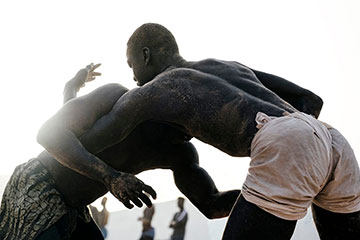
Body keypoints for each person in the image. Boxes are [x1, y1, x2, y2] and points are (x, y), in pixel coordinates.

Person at [66, 23, 358, 239]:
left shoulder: (157, 89)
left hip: (286, 137)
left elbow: (87, 140)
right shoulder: (226, 66)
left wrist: (70, 92)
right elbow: (311, 101)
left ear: (145, 56)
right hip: (333, 141)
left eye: (131, 65)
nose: (132, 76)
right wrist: (305, 156)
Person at [0, 63, 241, 240]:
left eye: (199, 129)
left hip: (75, 208)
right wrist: (111, 177)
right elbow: (50, 135)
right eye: (187, 121)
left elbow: (211, 204)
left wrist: (263, 191)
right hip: (38, 187)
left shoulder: (180, 152)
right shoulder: (116, 98)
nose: (191, 133)